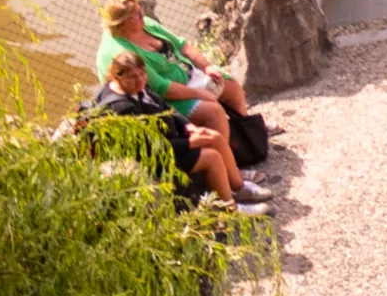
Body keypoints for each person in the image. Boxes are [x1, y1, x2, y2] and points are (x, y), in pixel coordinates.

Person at [86, 46, 258, 209]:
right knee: (211, 157)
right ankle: (230, 207)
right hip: (153, 157)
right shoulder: (122, 107)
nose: (140, 80)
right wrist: (190, 144)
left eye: (142, 74)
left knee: (215, 137)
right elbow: (147, 148)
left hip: (170, 140)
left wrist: (189, 126)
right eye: (133, 77)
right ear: (117, 77)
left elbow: (167, 108)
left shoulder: (137, 87)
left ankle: (239, 187)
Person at [105, 0, 253, 149]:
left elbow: (182, 46)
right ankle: (231, 163)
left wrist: (207, 67)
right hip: (171, 97)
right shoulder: (125, 51)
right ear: (121, 23)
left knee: (230, 84)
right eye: (135, 16)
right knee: (214, 112)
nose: (141, 16)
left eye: (140, 11)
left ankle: (248, 132)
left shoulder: (147, 24)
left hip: (191, 75)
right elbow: (160, 87)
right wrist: (199, 93)